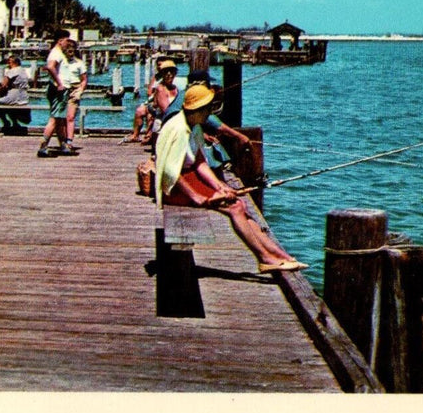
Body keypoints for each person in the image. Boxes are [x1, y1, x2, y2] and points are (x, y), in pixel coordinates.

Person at [154, 84, 306, 273]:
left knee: (237, 202)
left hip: (188, 177)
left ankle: (280, 255)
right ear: (198, 109)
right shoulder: (179, 129)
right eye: (208, 108)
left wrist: (220, 186)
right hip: (175, 187)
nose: (211, 112)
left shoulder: (194, 126)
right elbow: (170, 171)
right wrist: (196, 197)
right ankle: (265, 258)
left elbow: (200, 162)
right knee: (234, 208)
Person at [161, 69, 252, 171]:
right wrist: (239, 136)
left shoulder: (184, 93)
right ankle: (220, 166)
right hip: (175, 142)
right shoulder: (192, 99)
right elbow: (215, 123)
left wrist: (204, 135)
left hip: (173, 136)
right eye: (208, 84)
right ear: (202, 84)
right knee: (208, 147)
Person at [37, 29, 76, 157]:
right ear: (60, 41)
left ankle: (63, 145)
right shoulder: (56, 54)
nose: (67, 43)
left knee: (59, 119)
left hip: (61, 89)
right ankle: (43, 146)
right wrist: (59, 83)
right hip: (59, 89)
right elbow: (50, 67)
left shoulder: (59, 53)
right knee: (54, 118)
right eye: (66, 40)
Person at [123, 58, 179, 143]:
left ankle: (149, 135)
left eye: (171, 71)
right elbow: (149, 92)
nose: (169, 74)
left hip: (164, 108)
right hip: (156, 104)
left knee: (151, 113)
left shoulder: (177, 85)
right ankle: (137, 135)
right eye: (159, 65)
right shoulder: (158, 82)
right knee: (141, 111)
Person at [0, 55, 31, 134]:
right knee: (8, 106)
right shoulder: (23, 70)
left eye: (9, 62)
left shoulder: (12, 71)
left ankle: (5, 122)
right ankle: (15, 124)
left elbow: (3, 86)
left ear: (15, 63)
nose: (8, 64)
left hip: (14, 95)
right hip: (23, 96)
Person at [61, 39, 89, 145]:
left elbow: (84, 79)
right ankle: (62, 139)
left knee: (71, 116)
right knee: (60, 117)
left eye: (72, 49)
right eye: (68, 49)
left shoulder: (79, 63)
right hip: (62, 89)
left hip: (74, 89)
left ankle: (69, 141)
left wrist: (80, 91)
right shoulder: (60, 62)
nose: (70, 51)